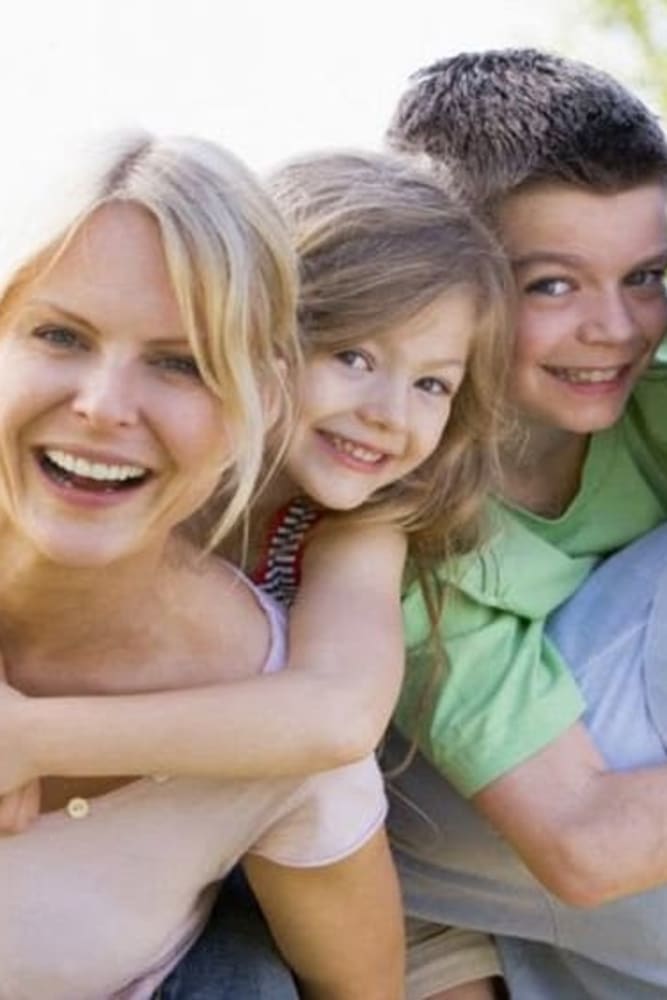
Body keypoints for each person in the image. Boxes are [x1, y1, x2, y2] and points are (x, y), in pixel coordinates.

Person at [0, 132, 405, 1000]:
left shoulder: (279, 725)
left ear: (262, 401)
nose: (104, 407)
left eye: (181, 363)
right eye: (59, 335)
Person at [0, 148, 510, 811]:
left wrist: (31, 742)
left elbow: (337, 713)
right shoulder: (112, 456)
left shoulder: (354, 529)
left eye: (432, 383)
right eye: (352, 357)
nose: (386, 413)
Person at [382, 48, 667, 998]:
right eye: (552, 284)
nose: (616, 328)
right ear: (443, 276)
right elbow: (582, 844)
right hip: (519, 842)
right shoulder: (414, 515)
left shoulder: (650, 412)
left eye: (647, 276)